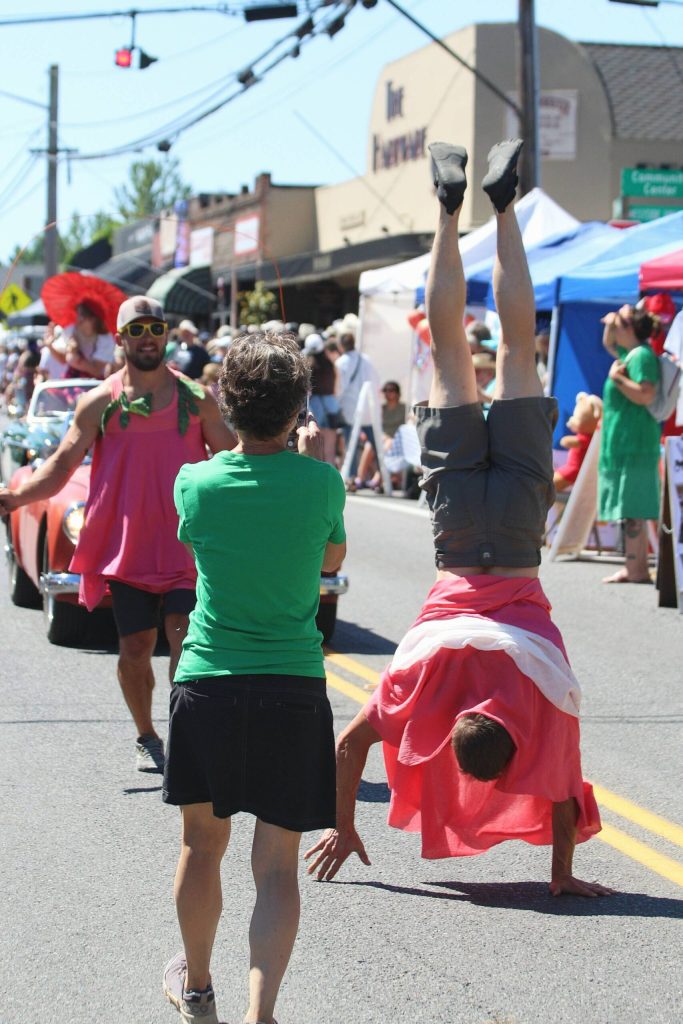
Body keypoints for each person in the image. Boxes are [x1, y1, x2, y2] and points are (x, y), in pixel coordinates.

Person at [305, 140, 613, 899]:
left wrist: (563, 871)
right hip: (454, 542)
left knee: (511, 348)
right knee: (449, 353)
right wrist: (341, 822)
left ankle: (499, 205)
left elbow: (565, 796)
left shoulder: (543, 703)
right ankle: (450, 211)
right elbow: (347, 745)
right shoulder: (421, 687)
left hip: (511, 538)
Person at [161, 330, 346, 1024]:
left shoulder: (197, 482)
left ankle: (199, 986)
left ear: (226, 404)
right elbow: (330, 561)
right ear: (299, 409)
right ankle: (260, 1012)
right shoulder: (322, 482)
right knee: (275, 868)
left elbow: (195, 538)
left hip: (208, 678)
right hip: (293, 686)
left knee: (201, 847)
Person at [0, 296, 235, 773]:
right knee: (135, 649)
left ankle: (185, 735)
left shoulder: (196, 399)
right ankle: (146, 735)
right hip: (127, 549)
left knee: (184, 640)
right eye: (137, 330)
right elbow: (63, 465)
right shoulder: (99, 403)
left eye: (155, 329)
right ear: (121, 338)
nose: (148, 338)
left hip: (185, 547)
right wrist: (14, 499)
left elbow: (231, 461)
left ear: (166, 335)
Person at [598, 304, 661, 584]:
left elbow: (645, 395)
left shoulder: (642, 356)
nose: (615, 328)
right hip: (624, 442)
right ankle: (633, 567)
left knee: (634, 506)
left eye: (620, 323)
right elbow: (608, 342)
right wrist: (613, 322)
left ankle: (637, 569)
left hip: (635, 443)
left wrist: (617, 379)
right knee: (629, 506)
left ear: (631, 328)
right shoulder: (631, 353)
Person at [304, 332, 341, 465]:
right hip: (331, 404)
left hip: (315, 406)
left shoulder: (308, 366)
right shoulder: (331, 364)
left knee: (316, 448)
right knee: (330, 449)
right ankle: (331, 477)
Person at [62, 302, 116, 379]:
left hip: (94, 383)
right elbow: (61, 359)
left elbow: (96, 371)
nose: (79, 319)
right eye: (78, 314)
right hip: (72, 379)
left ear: (94, 319)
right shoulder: (71, 330)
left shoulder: (106, 339)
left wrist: (75, 357)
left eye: (82, 315)